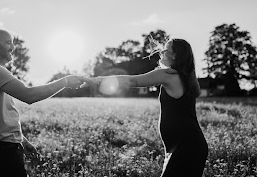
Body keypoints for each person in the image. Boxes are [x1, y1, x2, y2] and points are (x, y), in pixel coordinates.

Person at [0, 29, 89, 177]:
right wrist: (65, 82)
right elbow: (29, 95)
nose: (13, 47)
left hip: (4, 146)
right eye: (9, 42)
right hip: (2, 149)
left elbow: (3, 115)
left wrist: (22, 140)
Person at [89, 38, 208, 177]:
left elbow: (133, 80)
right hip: (188, 145)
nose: (161, 53)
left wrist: (97, 80)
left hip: (187, 146)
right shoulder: (187, 78)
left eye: (165, 50)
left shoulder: (167, 75)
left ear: (175, 55)